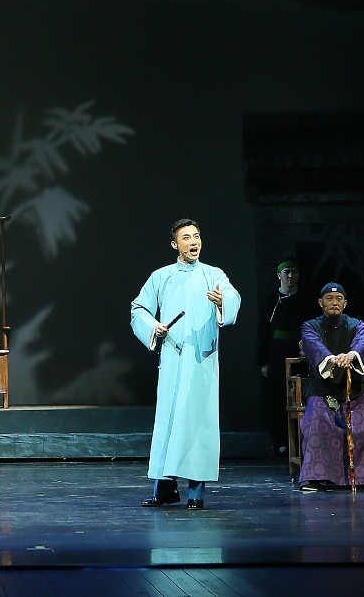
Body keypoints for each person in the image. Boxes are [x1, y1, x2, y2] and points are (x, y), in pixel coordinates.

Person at [129, 217, 241, 510]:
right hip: (173, 357)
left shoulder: (213, 274)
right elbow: (138, 308)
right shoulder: (162, 276)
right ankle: (164, 489)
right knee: (168, 420)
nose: (193, 242)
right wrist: (154, 326)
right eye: (187, 238)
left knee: (197, 423)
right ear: (175, 244)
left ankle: (196, 492)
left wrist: (222, 302)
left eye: (196, 236)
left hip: (201, 361)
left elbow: (232, 296)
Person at [296, 283, 364, 492]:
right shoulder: (310, 326)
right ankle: (314, 478)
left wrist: (351, 355)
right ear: (320, 303)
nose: (334, 302)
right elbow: (313, 345)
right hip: (323, 390)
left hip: (356, 389)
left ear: (345, 304)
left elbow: (363, 342)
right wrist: (331, 359)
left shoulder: (358, 325)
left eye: (339, 299)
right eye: (329, 298)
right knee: (316, 420)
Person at [257, 257, 302, 459]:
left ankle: (301, 440)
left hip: (299, 351)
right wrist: (263, 361)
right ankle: (280, 441)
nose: (290, 276)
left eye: (294, 272)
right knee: (277, 397)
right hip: (276, 352)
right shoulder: (271, 300)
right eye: (286, 272)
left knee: (299, 395)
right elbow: (262, 331)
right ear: (279, 276)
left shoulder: (305, 300)